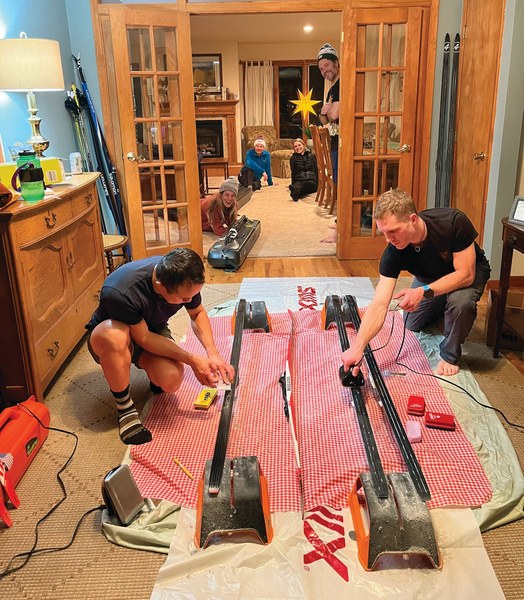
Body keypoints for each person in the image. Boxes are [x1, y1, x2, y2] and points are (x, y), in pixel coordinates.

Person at [85, 248, 235, 446]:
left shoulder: (183, 276)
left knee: (170, 380)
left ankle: (152, 373)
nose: (189, 301)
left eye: (193, 295)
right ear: (160, 287)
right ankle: (124, 406)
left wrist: (212, 353)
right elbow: (144, 338)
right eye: (184, 299)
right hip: (109, 337)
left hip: (150, 329)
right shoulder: (119, 291)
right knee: (116, 337)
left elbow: (197, 313)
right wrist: (192, 359)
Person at [341, 189, 491, 377]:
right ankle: (444, 301)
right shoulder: (393, 252)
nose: (389, 239)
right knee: (412, 323)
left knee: (460, 302)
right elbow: (379, 304)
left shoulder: (453, 222)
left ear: (412, 219)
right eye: (384, 233)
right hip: (429, 276)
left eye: (393, 231)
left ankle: (450, 354)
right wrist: (358, 347)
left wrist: (424, 291)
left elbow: (466, 274)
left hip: (466, 271)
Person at [317, 42, 340, 243]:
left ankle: (342, 222)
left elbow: (333, 114)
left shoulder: (342, 85)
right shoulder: (331, 90)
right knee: (340, 181)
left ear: (336, 63)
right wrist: (325, 111)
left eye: (327, 65)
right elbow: (324, 120)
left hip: (342, 142)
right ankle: (341, 220)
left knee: (343, 182)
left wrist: (328, 111)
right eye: (321, 69)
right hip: (334, 141)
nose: (325, 71)